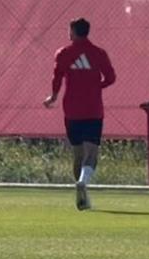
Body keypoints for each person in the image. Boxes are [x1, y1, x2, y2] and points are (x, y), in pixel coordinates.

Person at [43, 18, 116, 211]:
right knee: (91, 153)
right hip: (93, 109)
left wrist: (53, 97)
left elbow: (57, 77)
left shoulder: (64, 53)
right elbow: (111, 78)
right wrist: (95, 87)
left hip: (72, 110)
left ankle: (81, 194)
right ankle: (83, 183)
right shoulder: (98, 53)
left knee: (77, 154)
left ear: (73, 32)